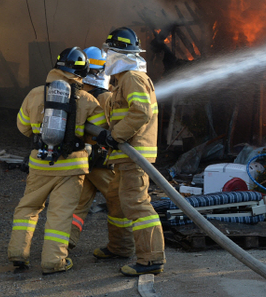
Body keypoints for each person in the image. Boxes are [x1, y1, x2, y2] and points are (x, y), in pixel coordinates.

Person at [8, 47, 108, 274]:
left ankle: (18, 253)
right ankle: (54, 262)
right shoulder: (87, 99)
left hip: (40, 163)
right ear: (82, 72)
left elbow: (23, 127)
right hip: (71, 168)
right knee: (61, 214)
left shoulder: (34, 94)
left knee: (28, 208)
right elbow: (101, 129)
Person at [92, 27, 165, 276]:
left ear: (118, 53)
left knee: (137, 204)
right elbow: (120, 108)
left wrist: (115, 135)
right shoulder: (122, 80)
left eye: (108, 51)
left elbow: (140, 111)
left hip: (135, 153)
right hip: (125, 154)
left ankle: (151, 259)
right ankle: (120, 247)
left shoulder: (133, 77)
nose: (106, 56)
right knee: (117, 199)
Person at [68, 46, 115, 250]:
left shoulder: (77, 93)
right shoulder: (104, 97)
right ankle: (123, 244)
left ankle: (64, 243)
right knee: (119, 200)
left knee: (78, 205)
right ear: (100, 70)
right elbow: (110, 129)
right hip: (101, 162)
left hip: (82, 159)